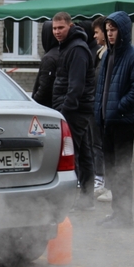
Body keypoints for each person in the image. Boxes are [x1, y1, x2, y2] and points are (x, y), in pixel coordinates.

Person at [94, 11, 134, 229]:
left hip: (124, 122)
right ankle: (117, 213)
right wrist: (100, 111)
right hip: (107, 121)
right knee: (112, 169)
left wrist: (119, 107)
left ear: (123, 31)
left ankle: (125, 217)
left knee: (122, 169)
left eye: (113, 29)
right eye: (107, 30)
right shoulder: (108, 55)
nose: (109, 34)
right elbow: (101, 87)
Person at [50, 12, 95, 212]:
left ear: (70, 26)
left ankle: (72, 201)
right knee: (84, 154)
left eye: (61, 28)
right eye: (54, 28)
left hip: (74, 111)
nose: (57, 32)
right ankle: (86, 199)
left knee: (72, 155)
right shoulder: (69, 47)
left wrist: (64, 112)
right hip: (77, 109)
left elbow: (75, 86)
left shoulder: (77, 49)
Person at [91, 16, 109, 200]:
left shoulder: (108, 55)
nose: (95, 36)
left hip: (103, 108)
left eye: (97, 32)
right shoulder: (100, 53)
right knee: (95, 144)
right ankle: (99, 178)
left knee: (100, 145)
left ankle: (102, 180)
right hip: (96, 105)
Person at [31, 21, 58, 108]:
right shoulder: (63, 52)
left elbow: (44, 87)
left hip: (46, 107)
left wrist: (34, 102)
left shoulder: (49, 58)